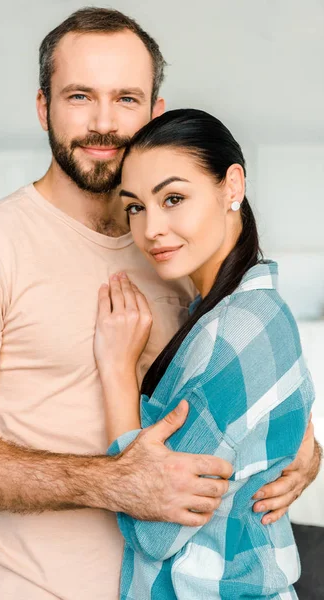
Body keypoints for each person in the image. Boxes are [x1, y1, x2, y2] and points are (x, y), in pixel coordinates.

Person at [0, 8, 320, 600]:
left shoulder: (177, 246)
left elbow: (237, 381)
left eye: (126, 99)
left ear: (155, 111)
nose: (103, 123)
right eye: (79, 96)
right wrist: (109, 482)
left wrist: (302, 449)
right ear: (44, 107)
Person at [94, 108, 315, 598]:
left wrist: (115, 370)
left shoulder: (237, 328)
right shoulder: (232, 313)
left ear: (231, 186)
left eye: (173, 198)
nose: (151, 228)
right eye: (135, 206)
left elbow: (155, 529)